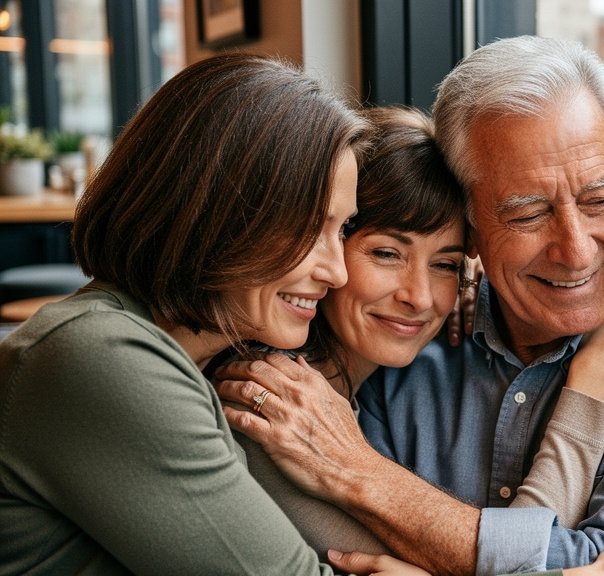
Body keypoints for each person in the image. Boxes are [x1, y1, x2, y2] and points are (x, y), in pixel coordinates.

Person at [216, 35, 604, 575]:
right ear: (471, 225)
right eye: (528, 214)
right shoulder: (399, 346)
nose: (576, 251)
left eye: (600, 200)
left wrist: (358, 472)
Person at [230, 104, 604, 559]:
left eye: (444, 265)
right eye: (386, 254)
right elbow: (498, 562)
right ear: (330, 241)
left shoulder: (356, 385)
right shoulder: (273, 402)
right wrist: (594, 377)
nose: (419, 297)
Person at [0, 53, 370, 574]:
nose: (338, 272)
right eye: (310, 227)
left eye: (343, 229)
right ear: (215, 213)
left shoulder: (215, 361)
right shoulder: (103, 356)